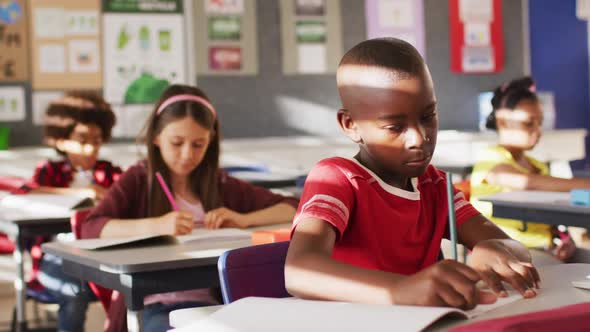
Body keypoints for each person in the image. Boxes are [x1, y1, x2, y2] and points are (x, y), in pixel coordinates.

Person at [285, 38, 540, 310]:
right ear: (350, 125)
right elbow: (299, 272)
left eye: (428, 116)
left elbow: (516, 248)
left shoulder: (436, 186)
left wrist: (491, 250)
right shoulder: (338, 179)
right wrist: (400, 290)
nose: (419, 138)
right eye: (395, 127)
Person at [81, 84, 298, 332]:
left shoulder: (220, 184)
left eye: (198, 145)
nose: (187, 154)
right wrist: (157, 225)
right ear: (155, 137)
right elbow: (91, 227)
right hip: (156, 307)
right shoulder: (140, 179)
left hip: (214, 306)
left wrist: (243, 219)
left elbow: (293, 207)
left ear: (211, 141)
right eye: (176, 142)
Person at [470, 76, 590, 265]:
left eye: (539, 123)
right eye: (529, 123)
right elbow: (528, 183)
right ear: (502, 122)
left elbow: (552, 217)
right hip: (509, 252)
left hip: (549, 249)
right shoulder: (491, 158)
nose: (538, 130)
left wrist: (566, 241)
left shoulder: (538, 165)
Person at [32, 91, 122, 332]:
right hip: (55, 257)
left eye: (97, 140)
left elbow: (128, 200)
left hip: (98, 256)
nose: (91, 148)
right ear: (61, 140)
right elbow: (30, 194)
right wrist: (79, 195)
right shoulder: (50, 171)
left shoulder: (110, 172)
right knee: (74, 292)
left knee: (129, 288)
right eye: (82, 140)